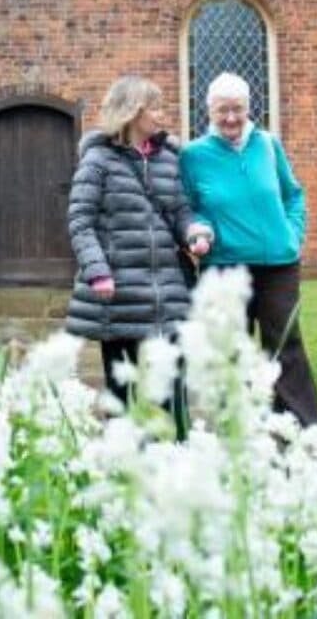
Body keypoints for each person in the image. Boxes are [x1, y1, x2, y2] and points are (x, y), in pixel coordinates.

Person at [65, 75, 213, 433]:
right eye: (155, 107)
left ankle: (180, 452)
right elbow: (80, 222)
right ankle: (121, 460)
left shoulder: (168, 158)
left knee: (173, 381)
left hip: (168, 287)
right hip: (118, 291)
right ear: (132, 112)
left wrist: (194, 231)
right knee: (121, 386)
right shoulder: (97, 160)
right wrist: (98, 271)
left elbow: (179, 209)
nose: (162, 115)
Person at [179, 71, 317, 426]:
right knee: (232, 349)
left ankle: (302, 426)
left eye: (238, 109)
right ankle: (240, 427)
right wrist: (198, 231)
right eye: (222, 110)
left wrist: (292, 235)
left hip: (279, 263)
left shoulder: (268, 145)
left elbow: (293, 195)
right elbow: (186, 206)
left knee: (285, 345)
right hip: (225, 266)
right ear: (208, 111)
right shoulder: (194, 155)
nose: (231, 118)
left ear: (248, 108)